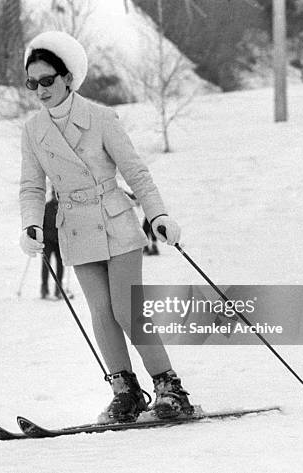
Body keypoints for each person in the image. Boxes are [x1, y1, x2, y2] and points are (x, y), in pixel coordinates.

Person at [18, 30, 194, 423]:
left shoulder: (100, 118)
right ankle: (126, 391)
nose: (41, 90)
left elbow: (136, 172)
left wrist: (158, 214)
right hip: (74, 227)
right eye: (33, 83)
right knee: (101, 312)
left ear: (67, 78)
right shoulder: (33, 130)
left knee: (128, 309)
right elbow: (32, 186)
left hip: (114, 221)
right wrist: (31, 225)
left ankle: (170, 388)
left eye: (48, 80)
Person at [40, 192, 64, 299]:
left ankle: (58, 289)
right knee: (46, 264)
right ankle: (44, 288)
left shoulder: (62, 207)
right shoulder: (47, 207)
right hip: (48, 241)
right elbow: (41, 223)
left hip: (59, 241)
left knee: (60, 265)